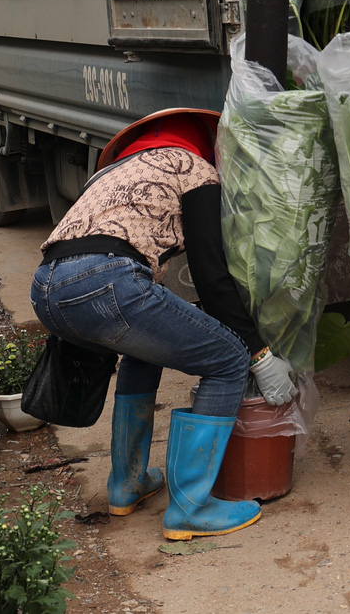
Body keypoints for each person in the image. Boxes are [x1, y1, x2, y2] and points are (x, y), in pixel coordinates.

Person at [30, 107, 296, 539]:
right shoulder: (193, 167)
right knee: (228, 359)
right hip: (107, 282)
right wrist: (258, 353)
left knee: (142, 350)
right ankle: (191, 506)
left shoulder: (108, 176)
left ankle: (127, 484)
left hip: (45, 287)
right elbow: (211, 278)